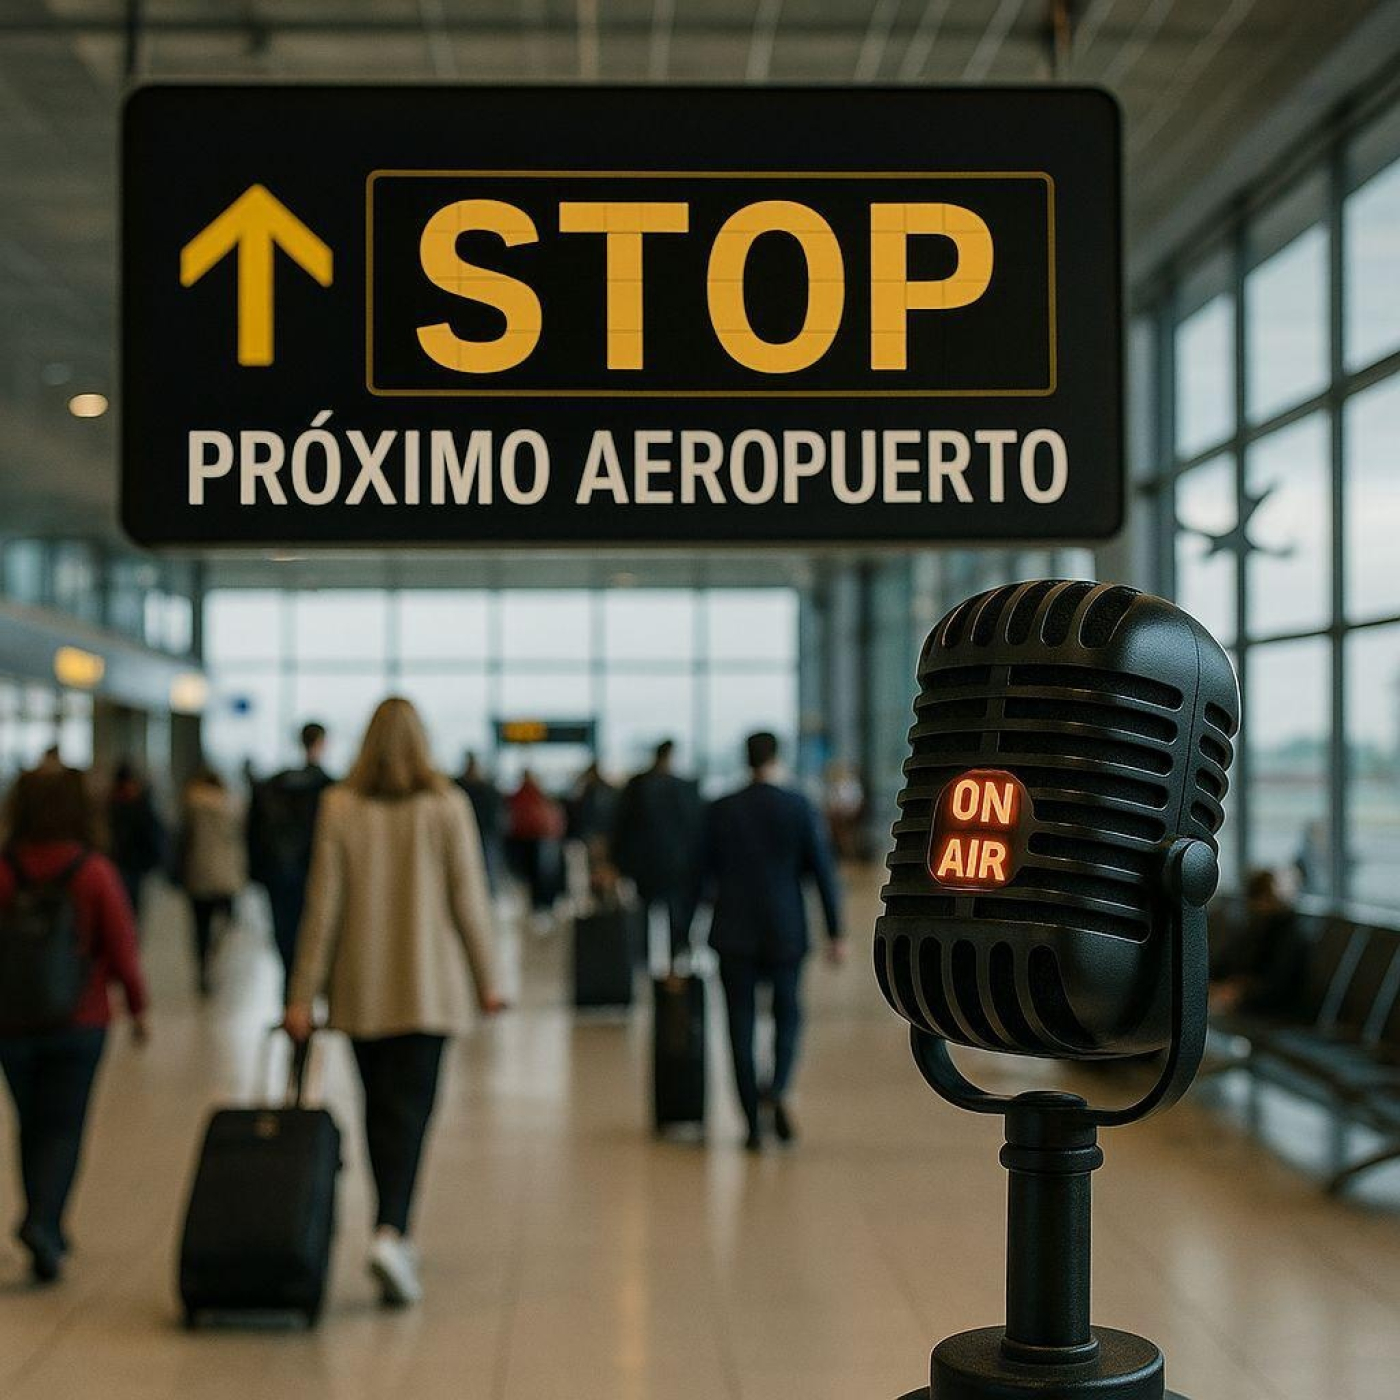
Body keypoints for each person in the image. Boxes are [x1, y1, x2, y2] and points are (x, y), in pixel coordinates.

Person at [284, 697, 506, 1308]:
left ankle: (391, 1227)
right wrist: (490, 980)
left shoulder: (340, 807)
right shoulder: (446, 806)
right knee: (411, 1113)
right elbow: (469, 899)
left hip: (363, 988)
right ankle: (392, 1230)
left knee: (380, 1108)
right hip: (429, 991)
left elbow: (321, 909)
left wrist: (301, 994)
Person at [0, 766, 148, 1283]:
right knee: (64, 1125)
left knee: (32, 1123)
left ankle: (44, 1219)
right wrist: (138, 1007)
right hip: (79, 1020)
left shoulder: (4, 867)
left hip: (11, 1021)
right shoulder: (92, 870)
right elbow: (122, 946)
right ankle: (45, 1222)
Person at [687, 732, 845, 1152]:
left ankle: (752, 1124)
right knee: (788, 1015)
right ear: (778, 757)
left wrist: (685, 932)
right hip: (785, 929)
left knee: (738, 1023)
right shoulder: (798, 806)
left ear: (745, 758)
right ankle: (776, 1088)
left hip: (733, 932)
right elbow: (822, 872)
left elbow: (698, 875)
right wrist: (835, 931)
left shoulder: (721, 808)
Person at [247, 722, 334, 984]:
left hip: (279, 877)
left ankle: (290, 996)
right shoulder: (330, 789)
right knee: (313, 937)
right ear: (322, 743)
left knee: (285, 939)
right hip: (314, 874)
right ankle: (302, 999)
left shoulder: (273, 785)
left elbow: (254, 833)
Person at [612, 740, 703, 963]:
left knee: (644, 910)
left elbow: (622, 826)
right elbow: (694, 828)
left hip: (644, 863)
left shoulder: (637, 786)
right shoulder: (684, 788)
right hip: (677, 864)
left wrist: (619, 861)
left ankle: (642, 955)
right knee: (676, 912)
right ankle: (676, 952)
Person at [177, 766, 245, 998]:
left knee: (200, 927)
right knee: (227, 924)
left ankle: (203, 965)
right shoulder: (232, 805)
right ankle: (216, 959)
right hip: (227, 875)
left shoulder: (191, 805)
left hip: (198, 874)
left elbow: (183, 841)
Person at [1210, 868, 1308, 1020]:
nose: (1256, 906)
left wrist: (1239, 991)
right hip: (1250, 998)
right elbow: (1226, 961)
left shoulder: (1290, 933)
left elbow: (1277, 984)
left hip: (1274, 1008)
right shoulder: (1257, 926)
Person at [106, 760, 166, 923]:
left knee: (131, 907)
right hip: (122, 862)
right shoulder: (115, 805)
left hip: (133, 863)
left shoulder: (138, 804)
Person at [506, 769, 567, 914]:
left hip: (533, 839)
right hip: (534, 839)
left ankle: (541, 904)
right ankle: (542, 904)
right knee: (540, 874)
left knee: (539, 874)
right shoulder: (537, 795)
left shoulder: (526, 795)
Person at [455, 752, 505, 893]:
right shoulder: (462, 788)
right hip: (475, 833)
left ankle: (488, 897)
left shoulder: (460, 788)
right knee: (473, 869)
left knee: (486, 869)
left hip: (484, 833)